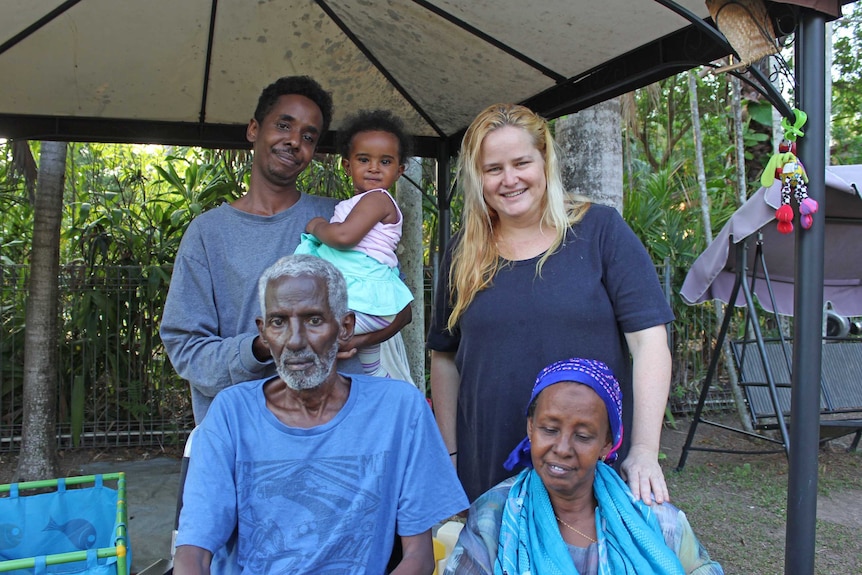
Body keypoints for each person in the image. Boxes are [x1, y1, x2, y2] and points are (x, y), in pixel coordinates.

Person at [427, 103, 674, 503]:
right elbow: (444, 357)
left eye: (521, 162)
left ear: (545, 160)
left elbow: (649, 342)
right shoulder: (462, 252)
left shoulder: (600, 231)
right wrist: (449, 454)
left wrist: (645, 451)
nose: (509, 180)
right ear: (478, 177)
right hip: (487, 471)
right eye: (494, 169)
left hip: (589, 470)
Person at [173, 255, 468, 574]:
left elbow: (419, 557)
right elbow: (193, 553)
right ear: (263, 330)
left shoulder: (398, 409)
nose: (295, 341)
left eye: (313, 320)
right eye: (278, 322)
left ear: (345, 328)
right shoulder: (230, 414)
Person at [160, 76, 410, 424]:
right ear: (253, 130)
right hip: (246, 434)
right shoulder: (208, 233)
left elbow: (399, 306)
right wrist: (263, 346)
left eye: (308, 136)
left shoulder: (343, 219)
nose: (294, 141)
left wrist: (346, 340)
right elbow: (186, 349)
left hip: (340, 434)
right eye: (283, 125)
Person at [444, 358, 723, 574]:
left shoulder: (656, 522)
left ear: (606, 443)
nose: (563, 448)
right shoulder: (493, 517)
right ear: (531, 428)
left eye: (583, 436)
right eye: (549, 429)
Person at [295, 109, 414, 380]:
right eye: (364, 159)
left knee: (313, 332)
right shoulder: (360, 202)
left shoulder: (378, 199)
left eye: (385, 161)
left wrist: (316, 226)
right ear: (347, 166)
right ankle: (387, 394)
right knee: (374, 373)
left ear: (399, 171)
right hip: (366, 299)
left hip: (366, 301)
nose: (374, 168)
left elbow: (344, 238)